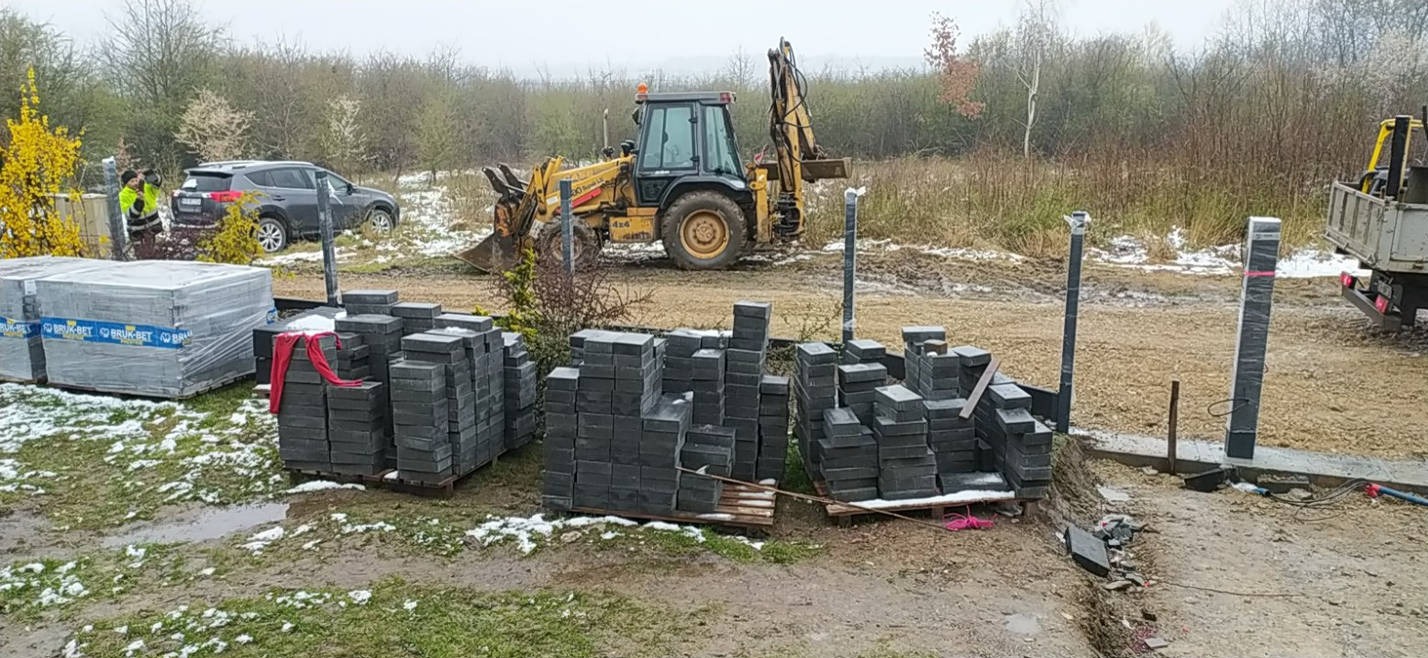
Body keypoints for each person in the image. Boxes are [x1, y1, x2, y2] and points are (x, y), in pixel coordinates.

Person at [119, 168, 163, 239]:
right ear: (126, 184)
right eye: (132, 181)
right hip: (137, 232)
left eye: (136, 180)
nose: (135, 183)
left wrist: (151, 175)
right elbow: (131, 214)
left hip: (155, 228)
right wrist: (139, 201)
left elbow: (157, 183)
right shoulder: (122, 195)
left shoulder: (146, 187)